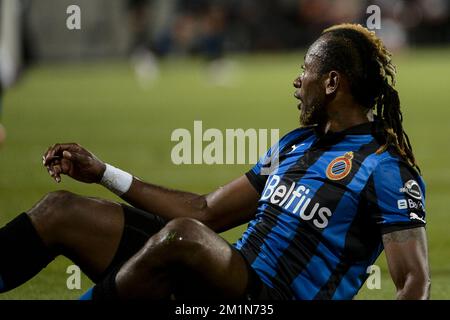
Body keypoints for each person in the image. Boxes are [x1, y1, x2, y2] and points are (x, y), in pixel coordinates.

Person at [0, 24, 430, 300]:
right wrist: (103, 173)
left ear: (333, 81)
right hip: (224, 290)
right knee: (61, 210)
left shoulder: (386, 167)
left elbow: (414, 281)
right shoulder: (296, 143)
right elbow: (204, 211)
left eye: (306, 69)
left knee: (182, 238)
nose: (298, 80)